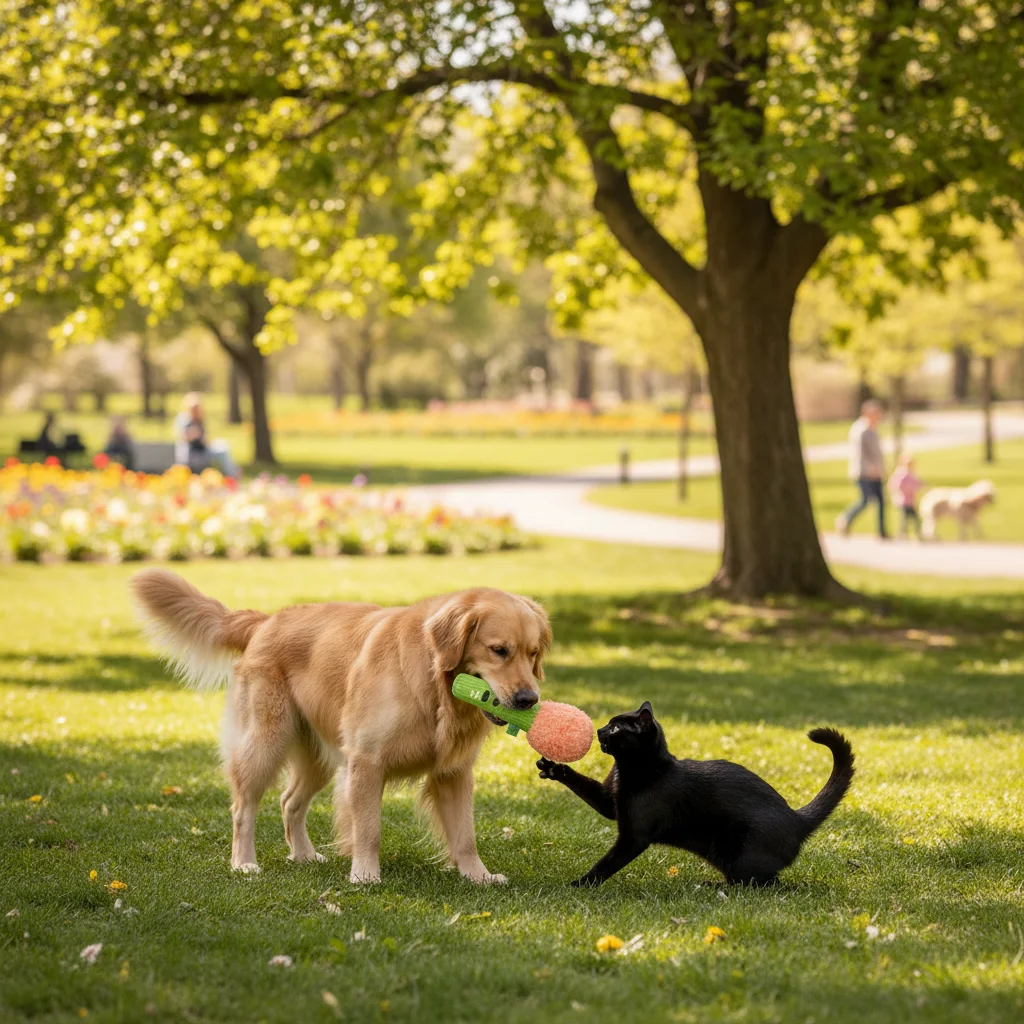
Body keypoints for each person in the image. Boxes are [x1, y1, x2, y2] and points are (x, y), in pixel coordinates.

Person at [836, 399, 888, 539]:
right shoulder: (861, 430)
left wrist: (881, 468)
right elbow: (862, 453)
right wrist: (872, 468)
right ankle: (845, 519)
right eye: (875, 413)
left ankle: (882, 531)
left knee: (881, 501)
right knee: (865, 500)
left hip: (876, 472)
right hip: (864, 472)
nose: (878, 415)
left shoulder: (873, 428)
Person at [173, 393, 240, 478]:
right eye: (195, 409)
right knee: (222, 450)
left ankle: (233, 472)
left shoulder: (199, 420)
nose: (197, 411)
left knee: (223, 444)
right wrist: (193, 434)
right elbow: (184, 437)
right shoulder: (185, 420)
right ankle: (233, 474)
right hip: (193, 454)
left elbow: (204, 439)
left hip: (203, 450)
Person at [888, 454, 925, 539]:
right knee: (905, 519)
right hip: (903, 501)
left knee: (914, 518)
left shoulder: (911, 474)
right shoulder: (901, 474)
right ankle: (903, 533)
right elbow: (896, 485)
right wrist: (909, 489)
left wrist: (921, 486)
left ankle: (917, 532)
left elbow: (917, 483)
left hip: (910, 501)